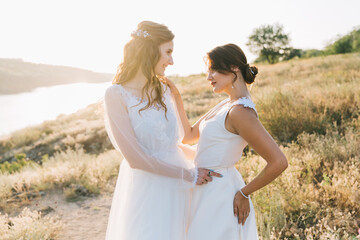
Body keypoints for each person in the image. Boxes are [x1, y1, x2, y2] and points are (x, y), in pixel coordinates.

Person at [103, 21, 221, 240]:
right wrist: (189, 175)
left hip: (182, 185)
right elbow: (136, 158)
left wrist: (210, 159)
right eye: (168, 52)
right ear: (148, 51)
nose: (171, 60)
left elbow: (174, 143)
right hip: (149, 188)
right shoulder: (116, 95)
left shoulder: (165, 88)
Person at [163, 43, 288, 240]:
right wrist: (176, 97)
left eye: (214, 70)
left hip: (221, 195)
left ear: (233, 68)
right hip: (202, 190)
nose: (208, 77)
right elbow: (187, 136)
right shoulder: (225, 104)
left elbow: (279, 162)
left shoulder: (240, 112)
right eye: (208, 71)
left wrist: (245, 193)